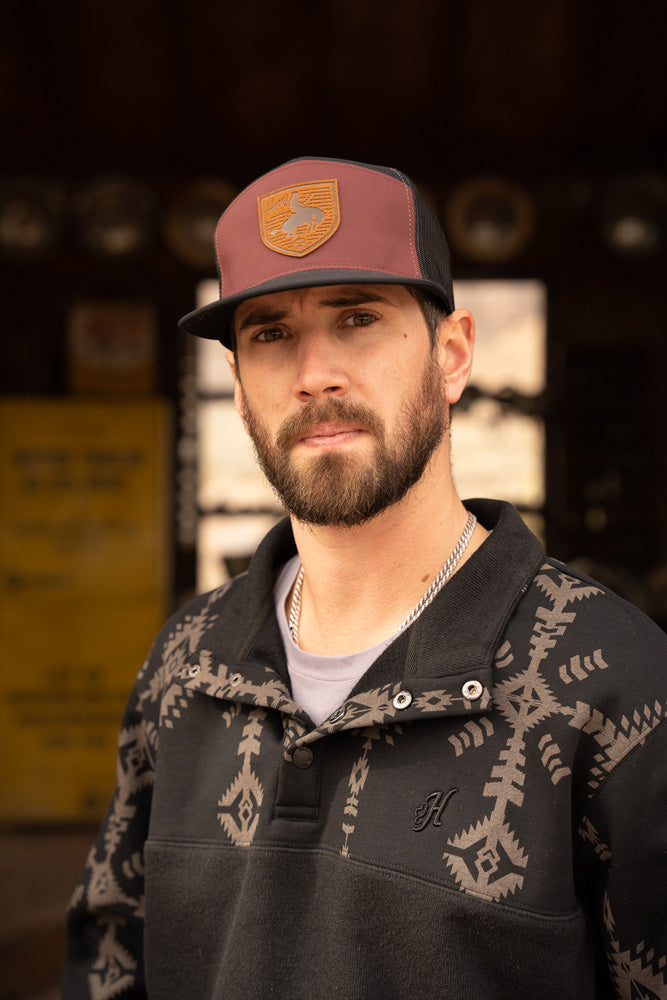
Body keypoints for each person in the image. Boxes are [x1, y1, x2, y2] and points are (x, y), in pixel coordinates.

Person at [62, 157, 667, 1000]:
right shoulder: (188, 660)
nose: (315, 373)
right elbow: (111, 958)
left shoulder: (615, 680)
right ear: (237, 390)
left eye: (357, 318)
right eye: (270, 333)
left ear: (451, 356)